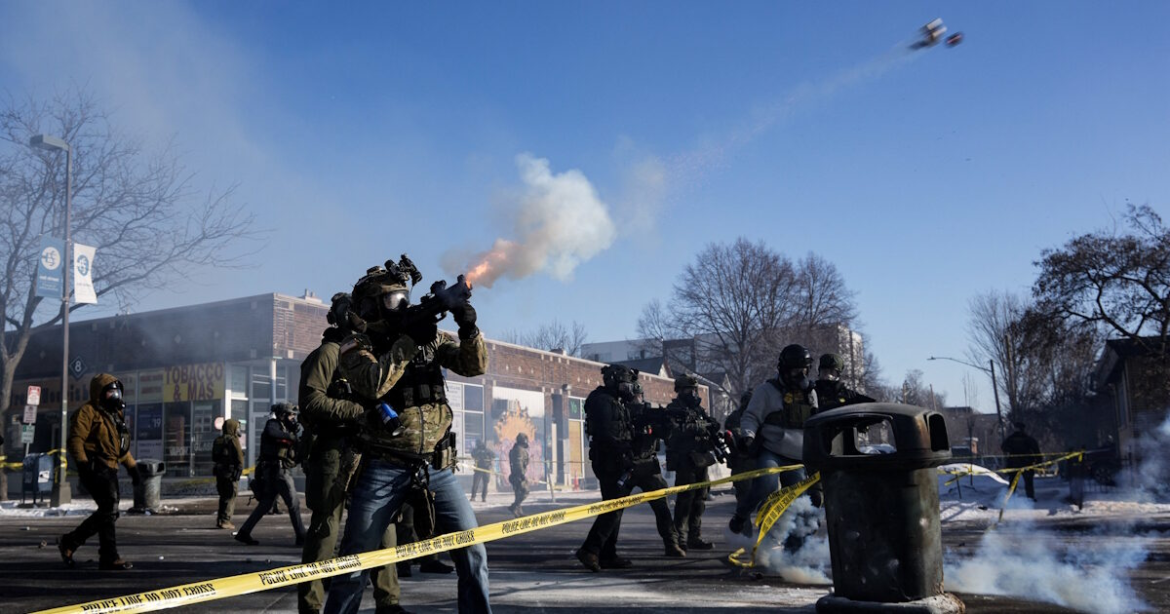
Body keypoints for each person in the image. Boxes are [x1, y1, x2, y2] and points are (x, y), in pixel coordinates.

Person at [324, 258, 490, 614]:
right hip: (384, 466)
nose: (401, 305)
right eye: (391, 299)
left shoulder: (427, 337)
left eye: (403, 297)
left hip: (437, 467)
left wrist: (468, 328)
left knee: (472, 551)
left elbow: (473, 365)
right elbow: (372, 384)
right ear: (370, 305)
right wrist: (406, 343)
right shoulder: (356, 344)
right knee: (355, 563)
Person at [298, 293, 406, 614]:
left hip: (369, 453)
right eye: (359, 314)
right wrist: (357, 412)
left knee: (383, 527)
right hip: (334, 453)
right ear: (347, 317)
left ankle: (389, 602)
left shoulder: (367, 356)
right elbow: (311, 403)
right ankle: (311, 606)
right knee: (325, 533)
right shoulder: (329, 354)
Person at [729, 344, 819, 536]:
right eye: (796, 370)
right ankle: (741, 515)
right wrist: (748, 436)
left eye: (804, 370)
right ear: (785, 370)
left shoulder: (811, 394)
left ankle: (794, 549)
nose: (801, 375)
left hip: (798, 457)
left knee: (798, 501)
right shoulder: (766, 391)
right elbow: (751, 416)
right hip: (772, 450)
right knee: (767, 484)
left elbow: (815, 424)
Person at [59, 373, 141, 570]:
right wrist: (83, 464)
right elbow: (76, 440)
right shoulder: (87, 412)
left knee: (109, 512)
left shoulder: (114, 416)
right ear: (100, 393)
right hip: (96, 467)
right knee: (109, 509)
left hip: (111, 468)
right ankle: (108, 556)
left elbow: (118, 448)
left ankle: (71, 542)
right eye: (110, 391)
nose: (115, 395)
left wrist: (132, 467)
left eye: (117, 391)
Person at [576, 364, 637, 573]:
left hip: (616, 459)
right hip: (608, 460)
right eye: (625, 383)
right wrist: (622, 452)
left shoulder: (614, 401)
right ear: (614, 381)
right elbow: (604, 434)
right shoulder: (602, 402)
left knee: (616, 507)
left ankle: (607, 553)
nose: (628, 387)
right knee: (612, 508)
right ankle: (590, 550)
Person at [627, 381, 685, 557]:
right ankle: (604, 549)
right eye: (635, 397)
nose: (638, 401)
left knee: (662, 506)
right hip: (627, 465)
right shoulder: (622, 415)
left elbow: (664, 435)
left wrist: (666, 425)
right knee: (614, 509)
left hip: (647, 465)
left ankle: (671, 543)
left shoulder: (648, 414)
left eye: (639, 397)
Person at [235, 403, 306, 546]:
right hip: (277, 471)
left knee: (266, 504)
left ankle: (244, 532)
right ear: (282, 415)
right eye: (291, 415)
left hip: (273, 471)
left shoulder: (283, 426)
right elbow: (273, 433)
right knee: (294, 503)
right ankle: (301, 536)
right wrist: (291, 436)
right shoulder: (272, 424)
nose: (293, 418)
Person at [664, 374, 718, 552]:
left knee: (700, 498)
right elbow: (672, 431)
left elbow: (707, 426)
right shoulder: (674, 409)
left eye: (694, 390)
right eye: (689, 389)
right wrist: (693, 427)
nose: (693, 393)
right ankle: (681, 538)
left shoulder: (698, 410)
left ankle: (695, 536)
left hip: (700, 458)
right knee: (685, 499)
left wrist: (711, 425)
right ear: (680, 390)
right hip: (684, 459)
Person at [722, 389, 754, 510]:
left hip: (756, 461)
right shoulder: (735, 417)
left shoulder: (758, 416)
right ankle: (745, 527)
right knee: (744, 498)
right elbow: (733, 435)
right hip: (741, 462)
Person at [212, 418, 244, 529]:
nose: (238, 430)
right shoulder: (233, 440)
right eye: (237, 427)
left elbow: (214, 457)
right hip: (230, 473)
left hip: (220, 472)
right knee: (231, 496)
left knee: (223, 496)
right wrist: (239, 468)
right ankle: (226, 521)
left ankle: (220, 520)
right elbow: (239, 456)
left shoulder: (218, 440)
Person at [1002, 422, 1042, 500]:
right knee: (1028, 482)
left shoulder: (1011, 439)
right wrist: (1038, 462)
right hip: (1026, 463)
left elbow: (1004, 447)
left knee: (1013, 482)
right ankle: (1030, 497)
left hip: (1014, 463)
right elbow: (1036, 451)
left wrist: (1010, 450)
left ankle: (1010, 498)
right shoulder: (1028, 438)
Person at [508, 433, 530, 517]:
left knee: (518, 494)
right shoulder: (519, 450)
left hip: (515, 474)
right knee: (525, 491)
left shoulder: (516, 449)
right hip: (518, 475)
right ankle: (514, 507)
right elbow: (518, 463)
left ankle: (518, 512)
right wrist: (521, 474)